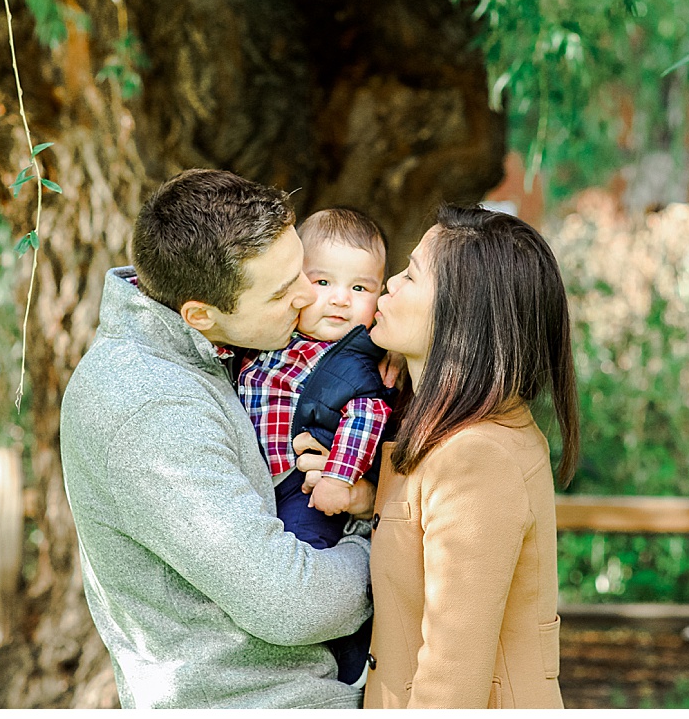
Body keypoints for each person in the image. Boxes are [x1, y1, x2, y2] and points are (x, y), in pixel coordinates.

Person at [59, 169, 376, 709]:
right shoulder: (150, 404)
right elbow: (286, 599)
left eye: (302, 270)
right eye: (283, 292)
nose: (308, 297)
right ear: (199, 315)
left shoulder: (213, 347)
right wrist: (384, 542)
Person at [299, 205, 580, 709]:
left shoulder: (479, 454)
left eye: (411, 275)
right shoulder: (444, 423)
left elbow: (454, 674)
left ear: (461, 312)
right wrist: (368, 501)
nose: (388, 286)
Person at [236, 207, 396, 686]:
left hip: (307, 492)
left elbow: (367, 414)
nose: (340, 301)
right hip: (259, 485)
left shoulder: (358, 362)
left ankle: (342, 671)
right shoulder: (272, 339)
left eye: (360, 289)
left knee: (305, 568)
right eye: (322, 282)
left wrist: (338, 477)